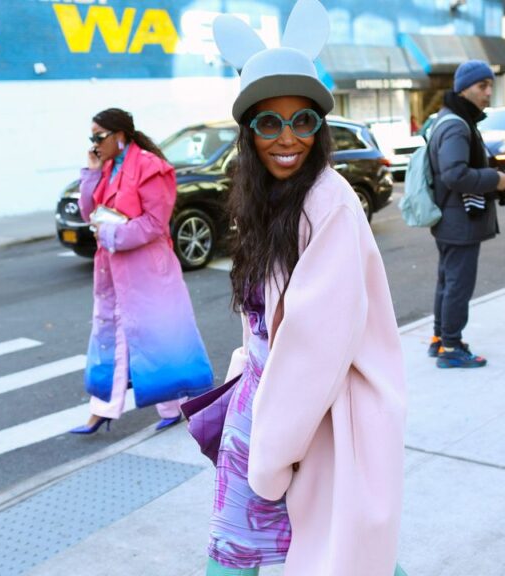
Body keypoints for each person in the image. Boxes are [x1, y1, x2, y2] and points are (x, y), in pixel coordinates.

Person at [208, 1, 407, 574]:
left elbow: (315, 347)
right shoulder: (271, 199)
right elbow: (263, 323)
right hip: (275, 412)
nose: (287, 137)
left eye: (303, 120)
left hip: (313, 421)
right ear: (248, 131)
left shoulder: (328, 203)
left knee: (266, 556)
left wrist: (271, 454)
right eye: (269, 123)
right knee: (342, 555)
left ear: (320, 127)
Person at [69, 108, 214, 434]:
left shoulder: (151, 168)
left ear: (120, 135)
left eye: (99, 137)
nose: (94, 144)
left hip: (148, 272)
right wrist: (91, 173)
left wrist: (110, 234)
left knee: (159, 338)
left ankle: (173, 407)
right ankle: (102, 409)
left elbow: (154, 223)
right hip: (114, 272)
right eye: (92, 137)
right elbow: (89, 213)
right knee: (112, 339)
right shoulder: (107, 168)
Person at [426, 61, 505, 369]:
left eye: (491, 85)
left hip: (449, 217)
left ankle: (440, 339)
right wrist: (495, 179)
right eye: (482, 86)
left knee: (448, 281)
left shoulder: (449, 118)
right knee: (458, 285)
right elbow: (455, 174)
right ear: (463, 89)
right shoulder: (456, 125)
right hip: (459, 219)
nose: (488, 92)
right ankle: (451, 348)